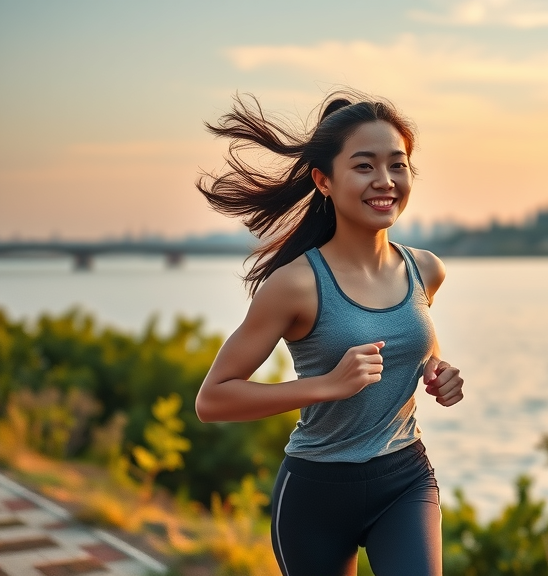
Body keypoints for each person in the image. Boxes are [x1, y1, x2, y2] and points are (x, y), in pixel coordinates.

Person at [194, 90, 464, 576]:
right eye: (364, 166)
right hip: (316, 494)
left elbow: (418, 342)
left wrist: (438, 371)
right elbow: (213, 400)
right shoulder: (295, 285)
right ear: (324, 180)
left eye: (397, 165)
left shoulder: (426, 269)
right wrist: (326, 386)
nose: (385, 181)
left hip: (404, 479)